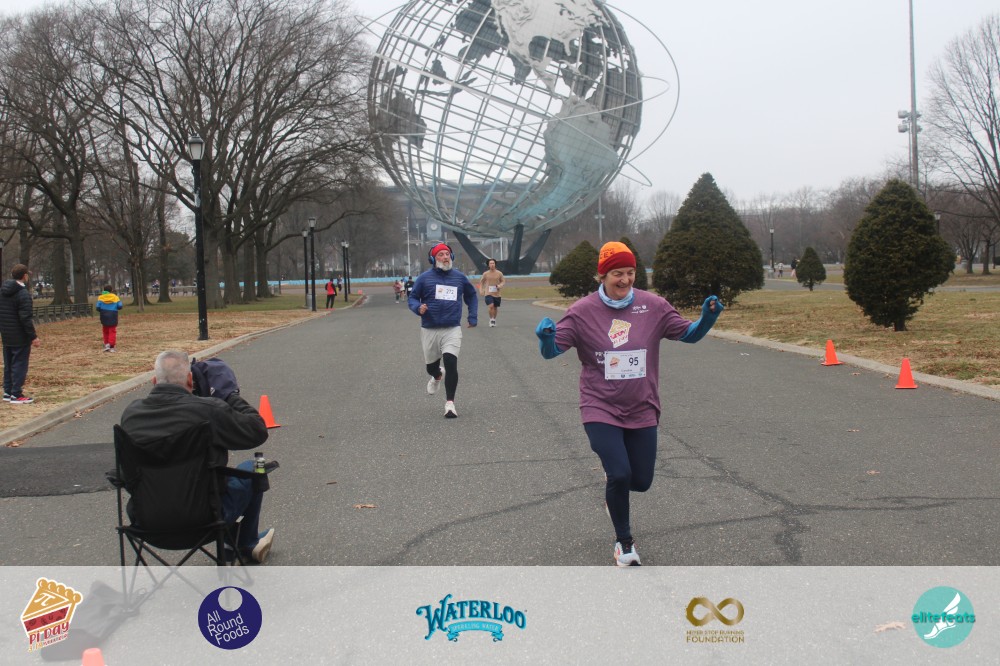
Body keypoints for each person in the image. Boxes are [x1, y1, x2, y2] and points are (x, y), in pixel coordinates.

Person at [535, 242, 723, 567]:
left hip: (642, 406)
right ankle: (624, 543)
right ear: (602, 275)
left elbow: (689, 334)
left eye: (630, 272)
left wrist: (707, 318)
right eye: (617, 273)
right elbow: (552, 352)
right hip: (599, 406)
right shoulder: (582, 311)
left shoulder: (653, 306)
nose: (624, 279)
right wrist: (546, 338)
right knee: (619, 474)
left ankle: (615, 497)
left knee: (641, 481)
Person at [119, 350, 276, 564]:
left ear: (154, 381)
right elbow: (257, 430)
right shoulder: (208, 410)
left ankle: (241, 542)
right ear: (190, 380)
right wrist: (229, 396)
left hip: (146, 522)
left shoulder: (131, 415)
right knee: (253, 468)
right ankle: (244, 543)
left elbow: (125, 473)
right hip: (206, 521)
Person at [408, 243, 478, 418]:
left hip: (452, 328)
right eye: (441, 254)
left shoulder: (459, 278)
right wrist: (418, 308)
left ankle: (450, 404)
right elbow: (413, 298)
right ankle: (437, 375)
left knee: (451, 361)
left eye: (447, 254)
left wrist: (472, 316)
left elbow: (471, 295)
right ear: (433, 259)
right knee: (431, 367)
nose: (445, 257)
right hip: (430, 329)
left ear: (451, 257)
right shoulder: (424, 278)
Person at [1, 264, 40, 404]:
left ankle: (8, 391)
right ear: (24, 276)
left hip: (6, 334)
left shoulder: (3, 291)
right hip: (19, 335)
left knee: (9, 364)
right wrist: (33, 336)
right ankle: (16, 394)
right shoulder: (23, 294)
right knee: (19, 364)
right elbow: (25, 318)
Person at [478, 258, 506, 327]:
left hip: (497, 293)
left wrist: (500, 286)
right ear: (488, 265)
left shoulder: (499, 273)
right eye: (490, 263)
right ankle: (491, 320)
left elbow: (503, 281)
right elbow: (481, 282)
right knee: (491, 306)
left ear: (495, 264)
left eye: (493, 263)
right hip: (488, 293)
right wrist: (481, 290)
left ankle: (494, 319)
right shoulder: (485, 274)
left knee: (495, 307)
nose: (492, 265)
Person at [96, 284, 124, 352]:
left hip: (104, 315)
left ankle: (106, 344)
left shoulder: (100, 297)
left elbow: (97, 307)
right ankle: (111, 346)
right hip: (113, 314)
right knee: (112, 330)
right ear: (111, 290)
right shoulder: (115, 297)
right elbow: (120, 306)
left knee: (105, 330)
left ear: (104, 290)